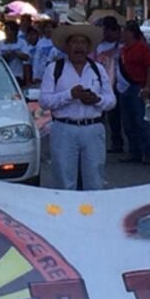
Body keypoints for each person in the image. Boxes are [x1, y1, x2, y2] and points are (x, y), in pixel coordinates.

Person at [40, 23, 116, 190]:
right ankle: (65, 215)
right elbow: (44, 101)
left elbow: (111, 100)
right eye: (74, 42)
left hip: (93, 128)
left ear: (88, 47)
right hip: (64, 129)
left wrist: (96, 99)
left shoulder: (98, 69)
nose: (79, 46)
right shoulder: (55, 69)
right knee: (64, 180)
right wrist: (70, 95)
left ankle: (92, 214)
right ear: (67, 46)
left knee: (95, 180)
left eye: (83, 42)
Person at [119, 21, 150, 165]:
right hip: (125, 87)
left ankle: (148, 151)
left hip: (138, 86)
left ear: (131, 32)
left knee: (141, 121)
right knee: (128, 122)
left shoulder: (142, 47)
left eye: (125, 31)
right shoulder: (123, 49)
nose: (122, 34)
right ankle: (134, 150)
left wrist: (147, 85)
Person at [93, 17, 125, 154]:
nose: (106, 34)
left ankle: (118, 142)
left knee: (115, 116)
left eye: (109, 31)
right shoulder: (98, 45)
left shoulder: (121, 46)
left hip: (118, 83)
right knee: (98, 115)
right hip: (100, 83)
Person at [0, 20, 29, 85]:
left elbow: (26, 57)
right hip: (3, 75)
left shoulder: (22, 43)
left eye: (8, 29)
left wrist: (15, 53)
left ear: (14, 31)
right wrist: (5, 56)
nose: (6, 32)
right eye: (5, 30)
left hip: (17, 76)